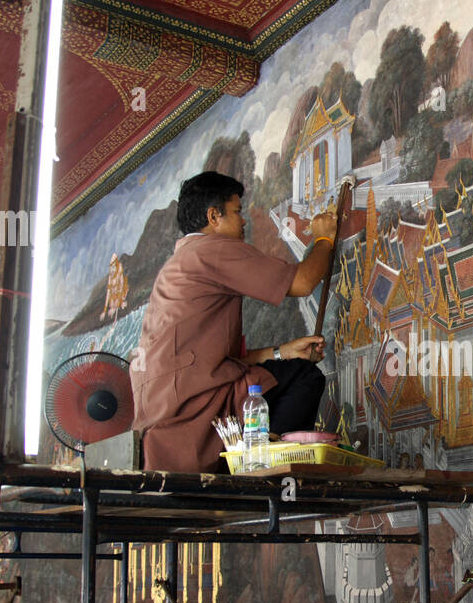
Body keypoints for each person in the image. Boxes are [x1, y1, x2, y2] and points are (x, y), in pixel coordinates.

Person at [132, 171, 338, 473]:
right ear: (213, 216)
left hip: (164, 415)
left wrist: (281, 351)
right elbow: (304, 282)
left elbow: (214, 360)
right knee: (305, 375)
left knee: (290, 367)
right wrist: (323, 238)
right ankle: (263, 471)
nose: (244, 221)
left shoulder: (177, 264)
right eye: (237, 212)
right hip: (194, 408)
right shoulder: (211, 250)